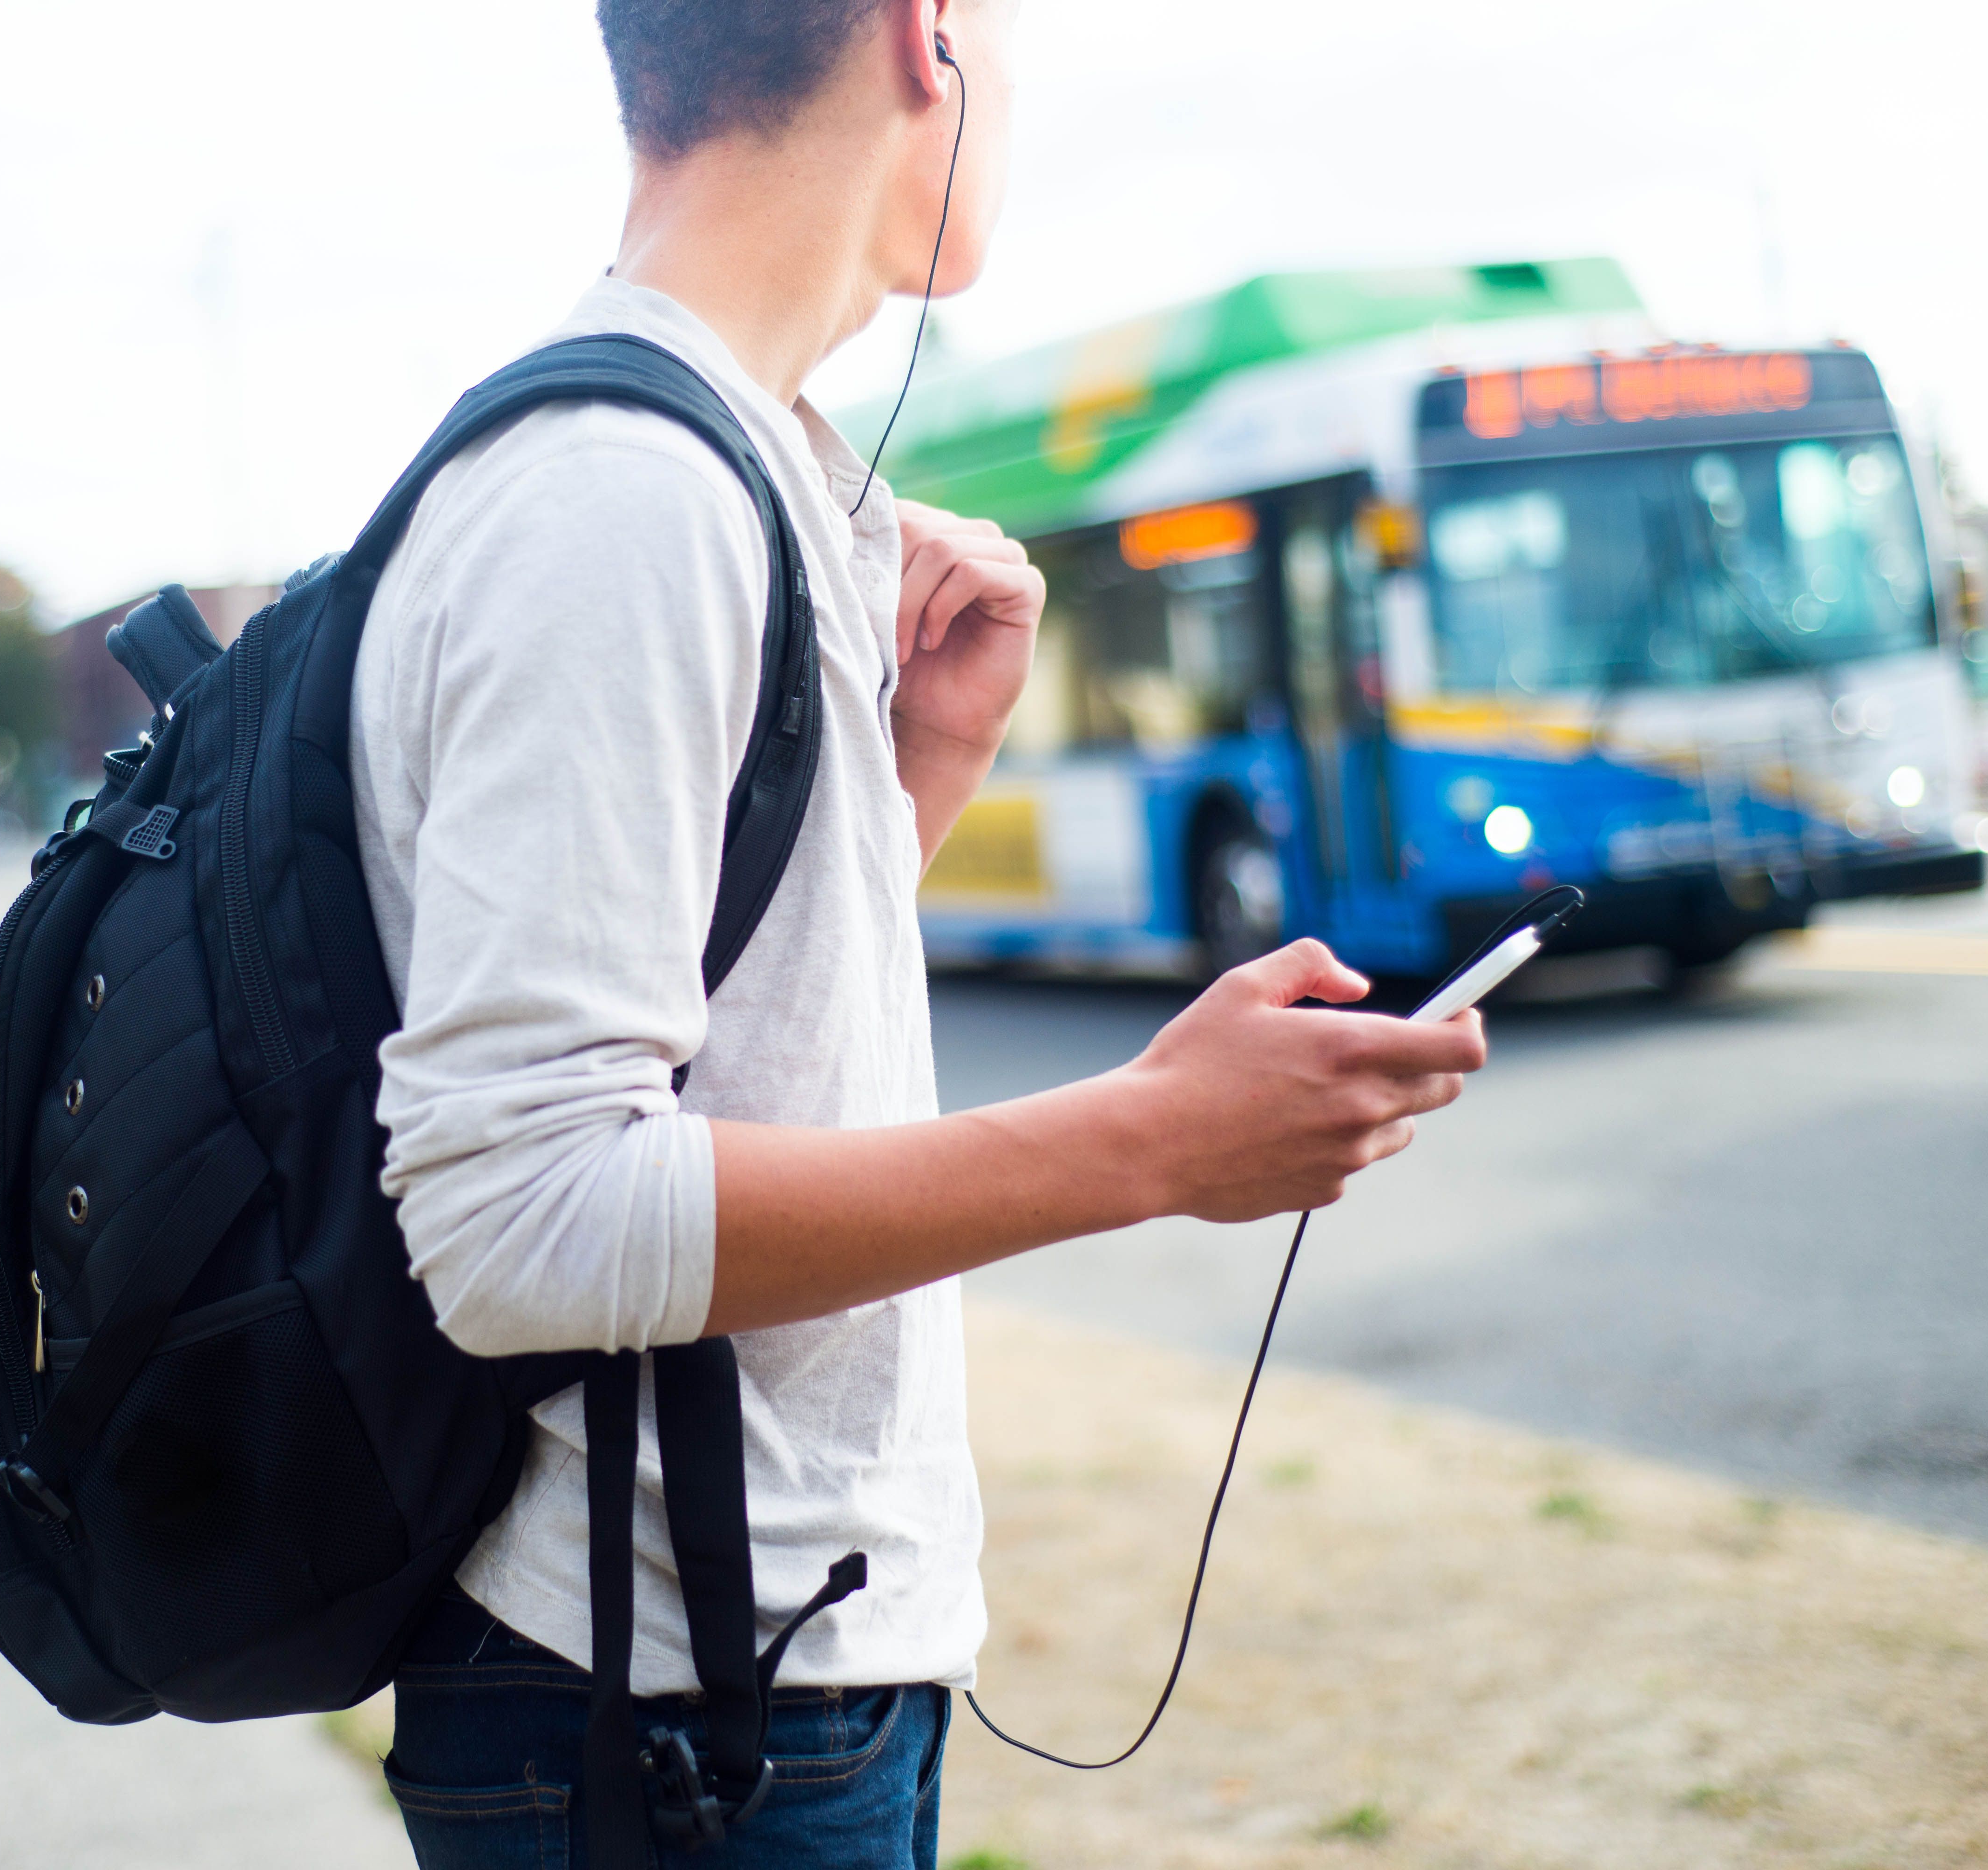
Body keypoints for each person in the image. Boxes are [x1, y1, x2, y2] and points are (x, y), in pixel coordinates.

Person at [352, 0, 1488, 1861]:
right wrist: (1149, 1139)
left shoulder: (739, 458)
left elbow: (727, 1032)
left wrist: (910, 773)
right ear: (923, 35)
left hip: (745, 1671)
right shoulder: (628, 498)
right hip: (660, 1700)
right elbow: (515, 1216)